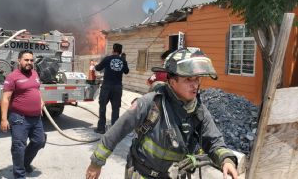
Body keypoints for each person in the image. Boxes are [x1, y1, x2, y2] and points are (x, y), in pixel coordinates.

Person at [86, 48, 239, 179]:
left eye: (197, 79)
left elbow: (214, 141)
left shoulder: (199, 111)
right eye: (188, 80)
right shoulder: (149, 103)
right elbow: (116, 132)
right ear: (172, 82)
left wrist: (226, 160)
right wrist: (96, 163)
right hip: (142, 174)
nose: (195, 85)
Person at [0, 50, 46, 179]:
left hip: (36, 118)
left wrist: (40, 101)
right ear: (19, 60)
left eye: (31, 60)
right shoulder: (12, 77)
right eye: (26, 60)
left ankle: (25, 163)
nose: (29, 63)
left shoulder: (35, 73)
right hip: (19, 118)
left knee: (39, 141)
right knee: (19, 147)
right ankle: (19, 175)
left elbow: (36, 89)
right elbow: (5, 98)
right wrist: (4, 119)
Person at [94, 43, 129, 134]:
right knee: (116, 108)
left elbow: (98, 68)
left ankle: (101, 128)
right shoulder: (123, 60)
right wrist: (124, 60)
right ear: (120, 51)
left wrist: (94, 65)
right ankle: (114, 131)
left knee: (102, 106)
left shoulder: (107, 58)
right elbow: (126, 71)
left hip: (107, 86)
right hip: (117, 87)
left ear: (113, 50)